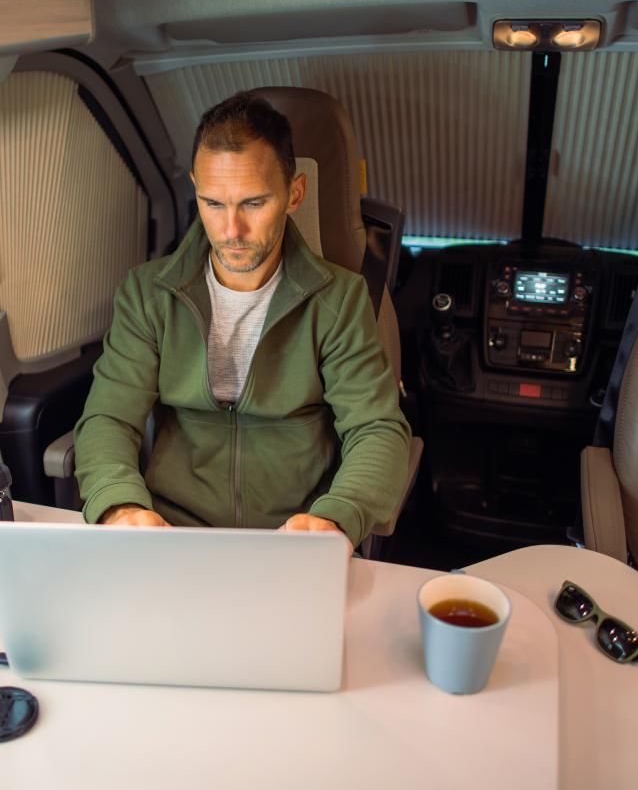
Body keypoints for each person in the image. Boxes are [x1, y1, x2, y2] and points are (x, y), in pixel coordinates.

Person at [72, 90, 410, 548]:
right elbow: (109, 417)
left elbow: (375, 428)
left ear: (294, 194)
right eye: (213, 203)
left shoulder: (340, 301)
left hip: (293, 538)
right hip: (173, 534)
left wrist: (337, 516)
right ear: (196, 187)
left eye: (253, 203)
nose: (231, 231)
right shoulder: (148, 294)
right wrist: (120, 506)